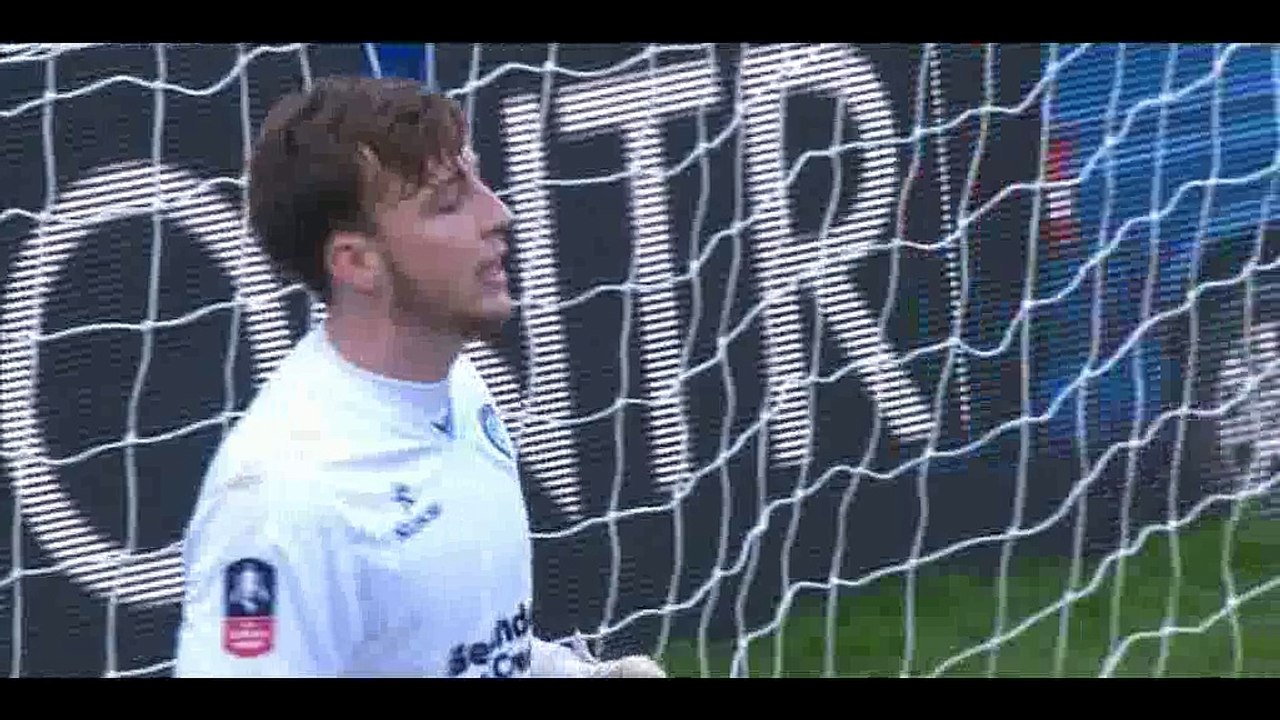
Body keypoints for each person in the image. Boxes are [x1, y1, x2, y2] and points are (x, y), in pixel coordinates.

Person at [172, 75, 666, 679]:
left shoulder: (460, 385)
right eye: (450, 202)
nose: (499, 214)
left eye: (479, 182)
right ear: (356, 262)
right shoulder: (281, 502)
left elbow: (444, 652)